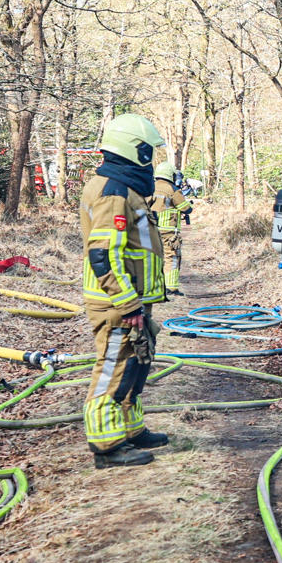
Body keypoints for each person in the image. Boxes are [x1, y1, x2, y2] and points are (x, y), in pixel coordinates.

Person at [79, 114, 171, 468]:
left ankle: (131, 430)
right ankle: (107, 445)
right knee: (114, 369)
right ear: (137, 150)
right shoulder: (113, 192)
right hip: (117, 303)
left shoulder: (123, 187)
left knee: (136, 365)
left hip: (132, 301)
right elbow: (104, 254)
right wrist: (128, 301)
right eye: (150, 151)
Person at [154, 163, 193, 295]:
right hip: (168, 231)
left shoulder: (149, 187)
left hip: (150, 230)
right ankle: (171, 288)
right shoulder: (172, 190)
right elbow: (186, 208)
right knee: (172, 257)